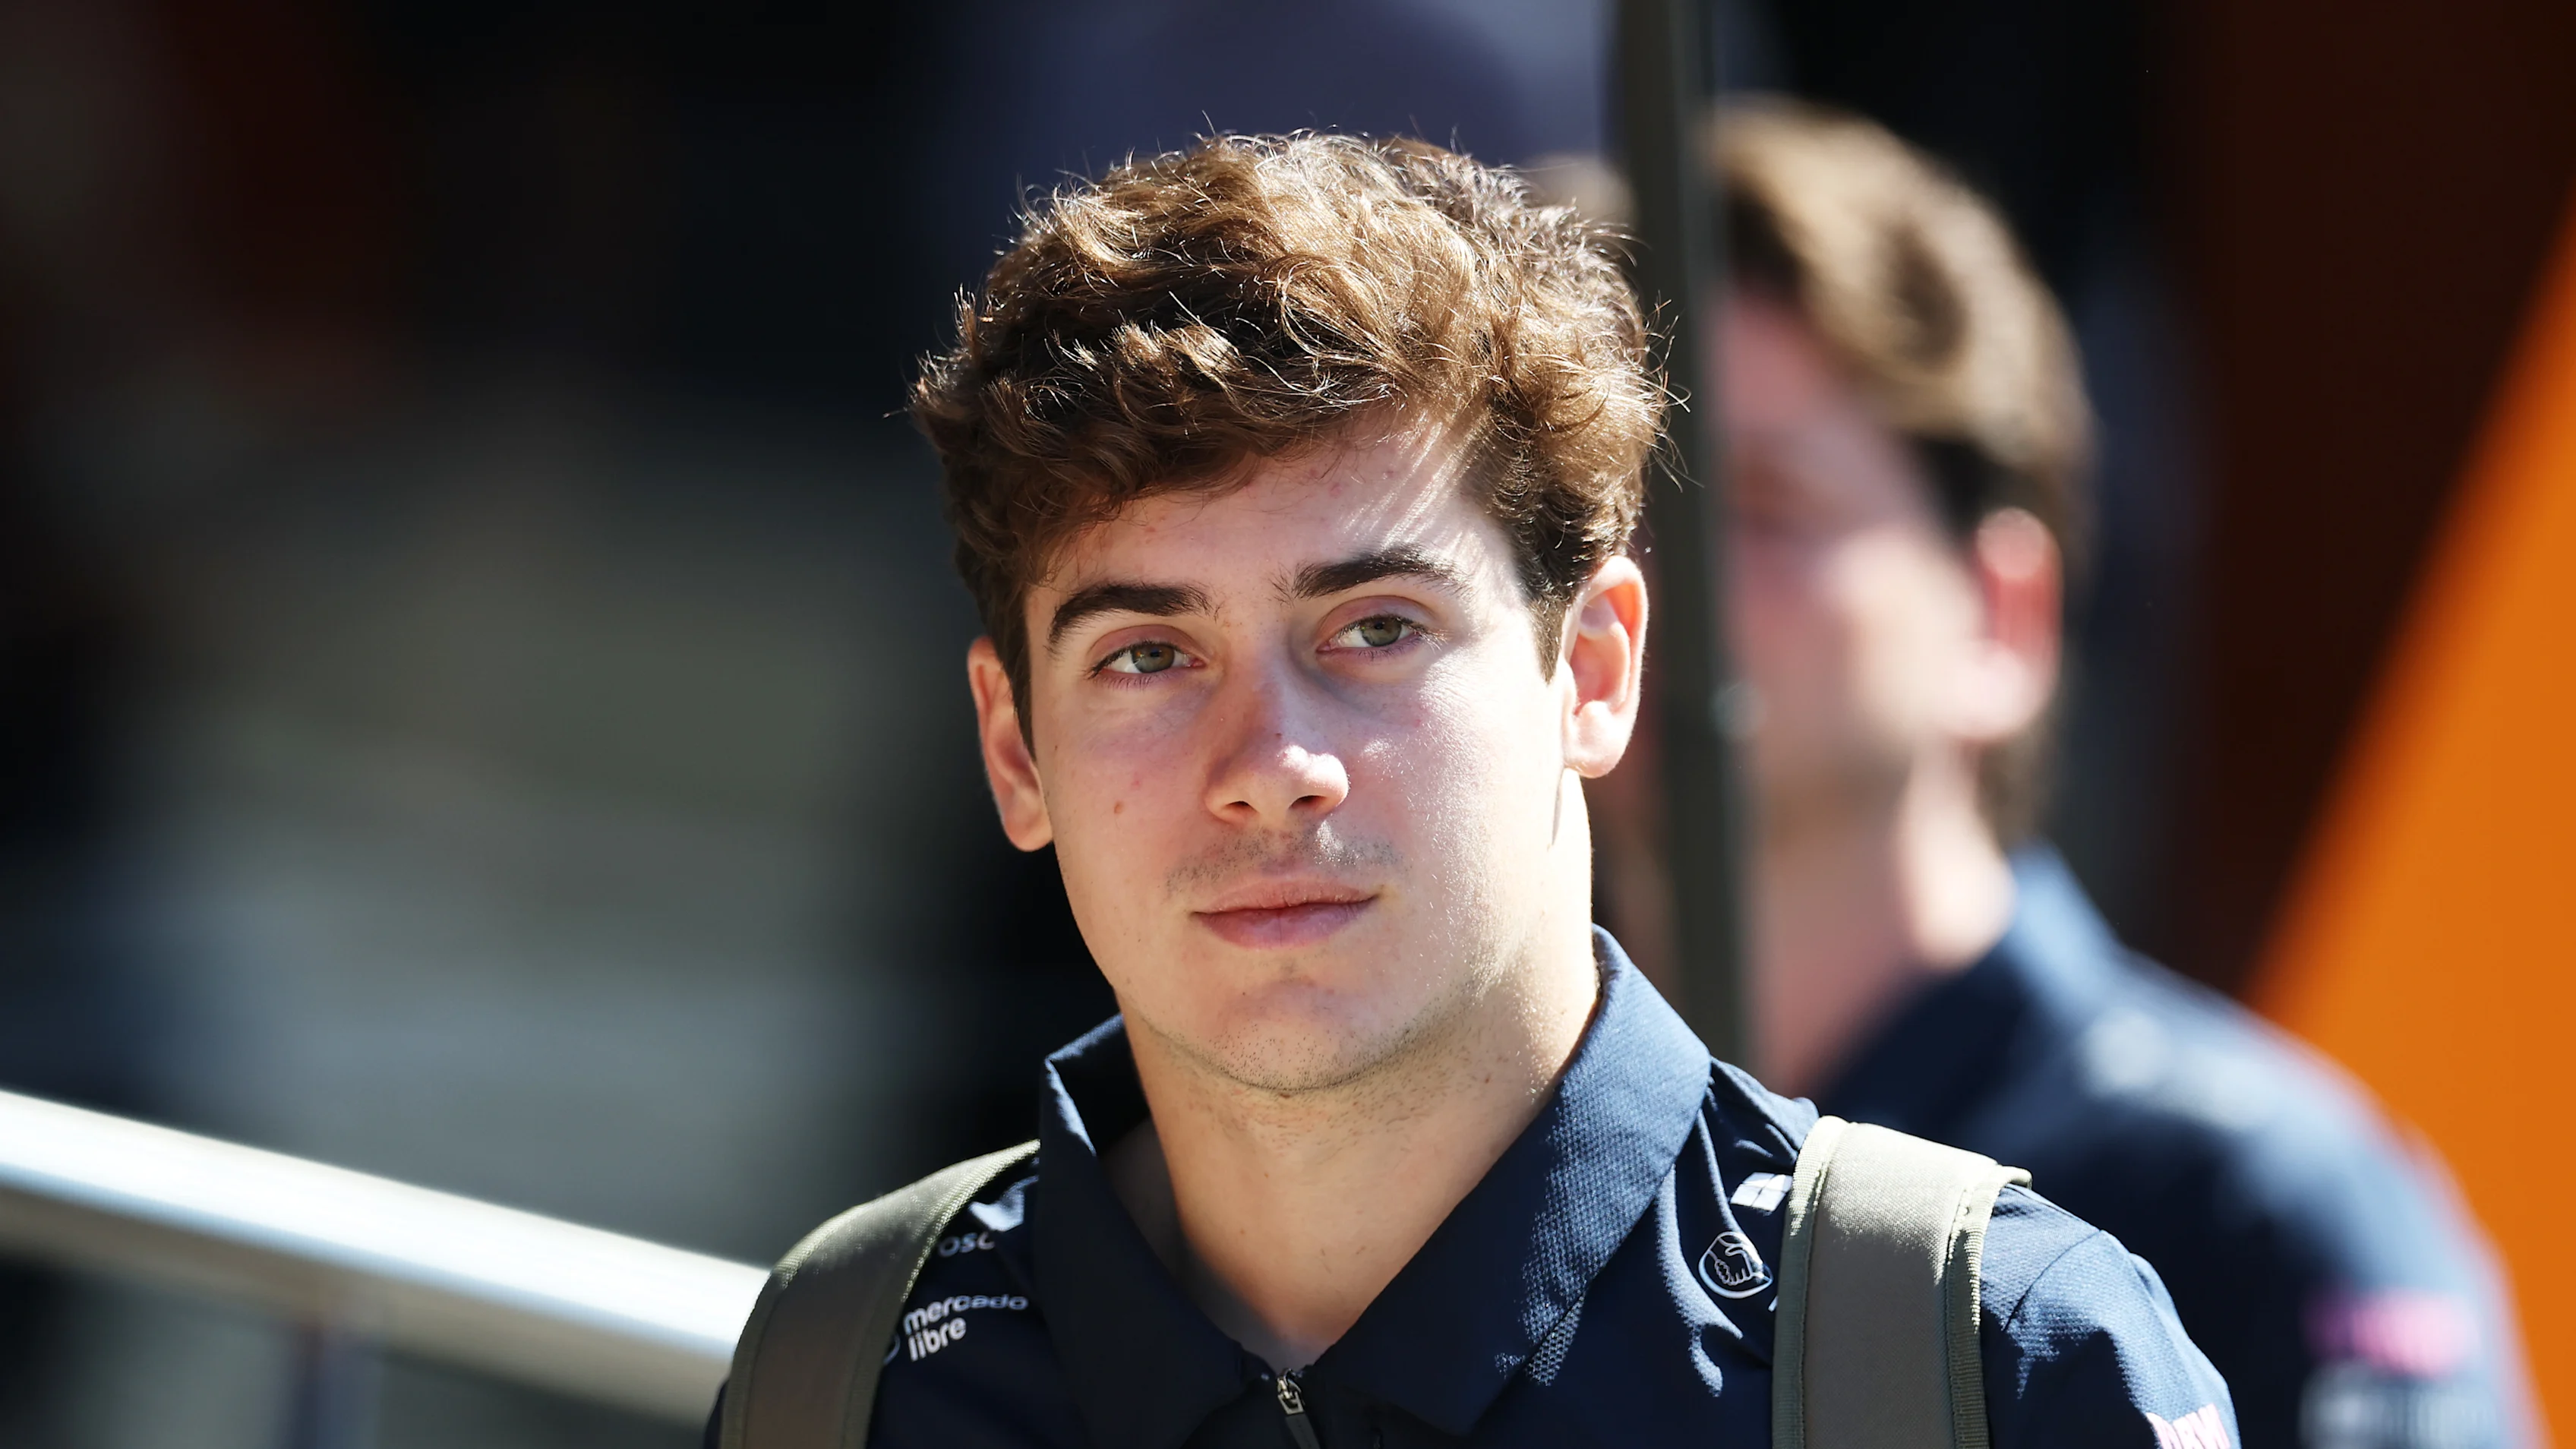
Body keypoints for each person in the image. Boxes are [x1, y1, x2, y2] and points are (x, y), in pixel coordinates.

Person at [715, 131, 2236, 1448]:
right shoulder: (846, 1377)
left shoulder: (1997, 1366)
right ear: (1012, 748)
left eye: (1376, 630)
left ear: (1592, 673)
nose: (1268, 768)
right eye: (1144, 655)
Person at [1628, 101, 2533, 1449]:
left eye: (1762, 507)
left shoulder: (2249, 1206)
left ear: (2004, 614)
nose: (1657, 581)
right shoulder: (1508, 1187)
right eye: (1614, 510)